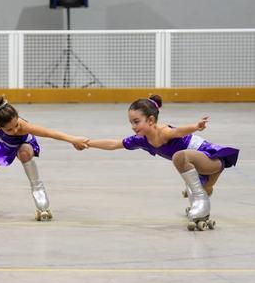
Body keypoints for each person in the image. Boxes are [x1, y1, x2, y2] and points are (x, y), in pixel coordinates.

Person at [83, 95, 239, 231]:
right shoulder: (141, 140)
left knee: (180, 157)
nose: (133, 127)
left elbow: (178, 131)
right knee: (204, 188)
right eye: (131, 122)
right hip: (195, 166)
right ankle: (199, 195)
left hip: (211, 159)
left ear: (151, 120)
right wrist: (88, 143)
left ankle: (200, 199)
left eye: (136, 122)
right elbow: (114, 144)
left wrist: (196, 126)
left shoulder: (163, 132)